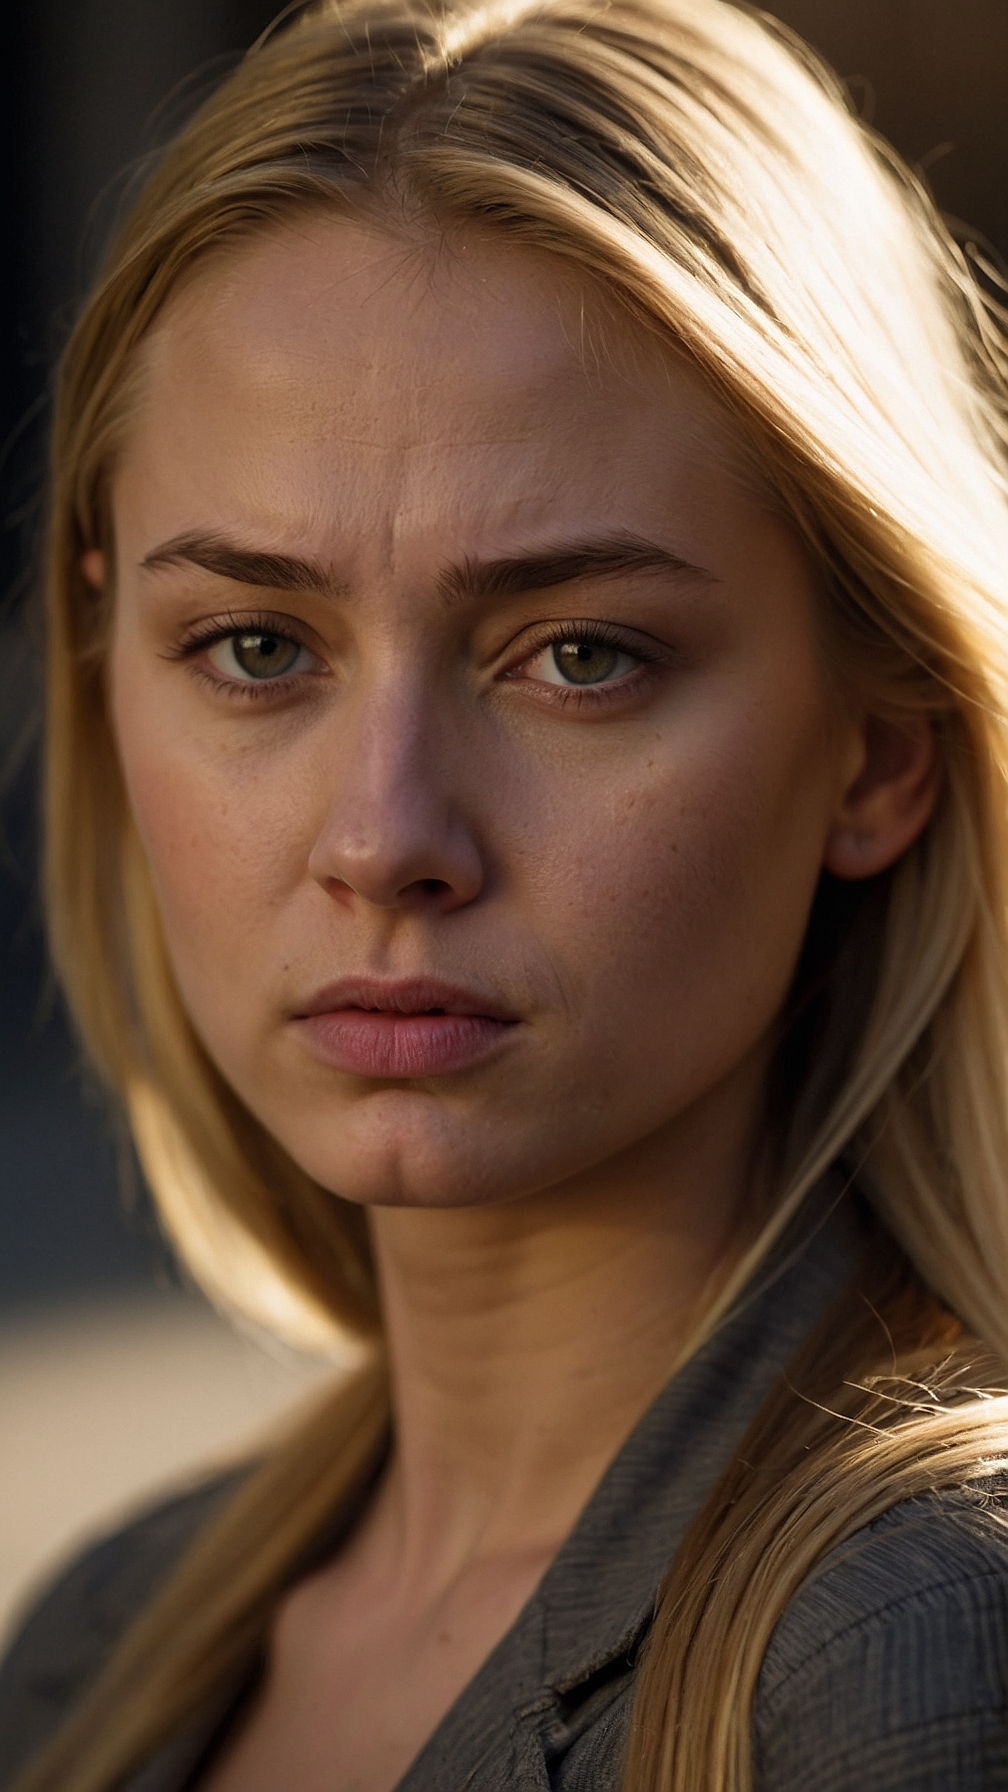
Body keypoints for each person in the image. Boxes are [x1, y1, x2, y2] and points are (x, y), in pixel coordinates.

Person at [3, 0, 1008, 1786]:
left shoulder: (909, 1649)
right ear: (102, 658)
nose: (386, 837)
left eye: (582, 656)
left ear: (880, 752)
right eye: (253, 645)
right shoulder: (104, 1647)